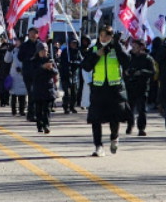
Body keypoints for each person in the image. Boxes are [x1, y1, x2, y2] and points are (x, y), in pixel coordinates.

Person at [81, 26, 131, 157]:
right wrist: (96, 55)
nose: (104, 38)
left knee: (115, 118)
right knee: (95, 119)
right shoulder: (94, 49)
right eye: (102, 36)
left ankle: (114, 137)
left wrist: (118, 46)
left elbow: (127, 62)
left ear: (111, 37)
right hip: (98, 89)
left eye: (107, 36)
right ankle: (98, 146)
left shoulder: (117, 49)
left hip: (114, 89)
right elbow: (86, 66)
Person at [124, 38, 155, 136]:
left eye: (135, 46)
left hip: (142, 87)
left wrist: (141, 72)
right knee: (129, 108)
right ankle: (130, 124)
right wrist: (127, 73)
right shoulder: (129, 57)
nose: (133, 48)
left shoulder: (147, 58)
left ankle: (141, 128)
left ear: (141, 47)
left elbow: (153, 72)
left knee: (142, 109)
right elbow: (124, 69)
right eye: (132, 46)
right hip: (130, 86)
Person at [31, 42, 58, 133]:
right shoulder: (34, 61)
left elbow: (55, 72)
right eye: (42, 51)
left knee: (47, 109)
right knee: (38, 109)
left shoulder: (50, 60)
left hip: (48, 88)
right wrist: (42, 67)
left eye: (45, 50)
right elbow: (32, 74)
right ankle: (39, 125)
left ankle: (46, 125)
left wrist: (51, 68)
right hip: (38, 87)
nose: (44, 52)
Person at [18, 28, 40, 122]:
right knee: (31, 92)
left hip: (38, 72)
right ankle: (31, 114)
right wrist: (29, 58)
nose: (31, 35)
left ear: (37, 34)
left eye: (33, 33)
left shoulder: (40, 44)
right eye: (30, 33)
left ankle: (36, 113)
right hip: (28, 72)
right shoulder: (24, 45)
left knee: (37, 93)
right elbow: (20, 57)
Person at [4, 38, 27, 117]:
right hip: (14, 74)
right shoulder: (13, 50)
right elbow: (7, 60)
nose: (16, 42)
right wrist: (9, 51)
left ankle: (22, 110)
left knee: (22, 94)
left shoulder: (25, 50)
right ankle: (13, 110)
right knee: (13, 94)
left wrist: (23, 69)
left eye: (17, 41)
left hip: (22, 74)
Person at [59, 39, 82, 114]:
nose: (73, 45)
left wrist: (74, 63)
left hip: (74, 75)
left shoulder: (78, 52)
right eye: (72, 43)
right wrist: (67, 65)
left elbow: (81, 61)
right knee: (67, 92)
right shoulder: (65, 51)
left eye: (75, 43)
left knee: (74, 93)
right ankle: (66, 107)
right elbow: (61, 62)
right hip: (66, 75)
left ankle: (72, 106)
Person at [0, 38, 11, 107]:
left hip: (3, 71)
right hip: (4, 70)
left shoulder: (0, 51)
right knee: (5, 87)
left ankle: (4, 101)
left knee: (3, 87)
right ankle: (4, 101)